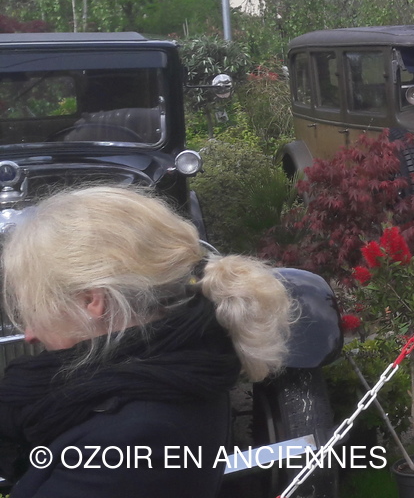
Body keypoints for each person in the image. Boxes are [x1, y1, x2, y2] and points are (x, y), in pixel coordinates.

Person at [0, 187, 292, 497]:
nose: (29, 333)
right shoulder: (181, 364)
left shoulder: (132, 439)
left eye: (37, 308)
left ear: (90, 301)